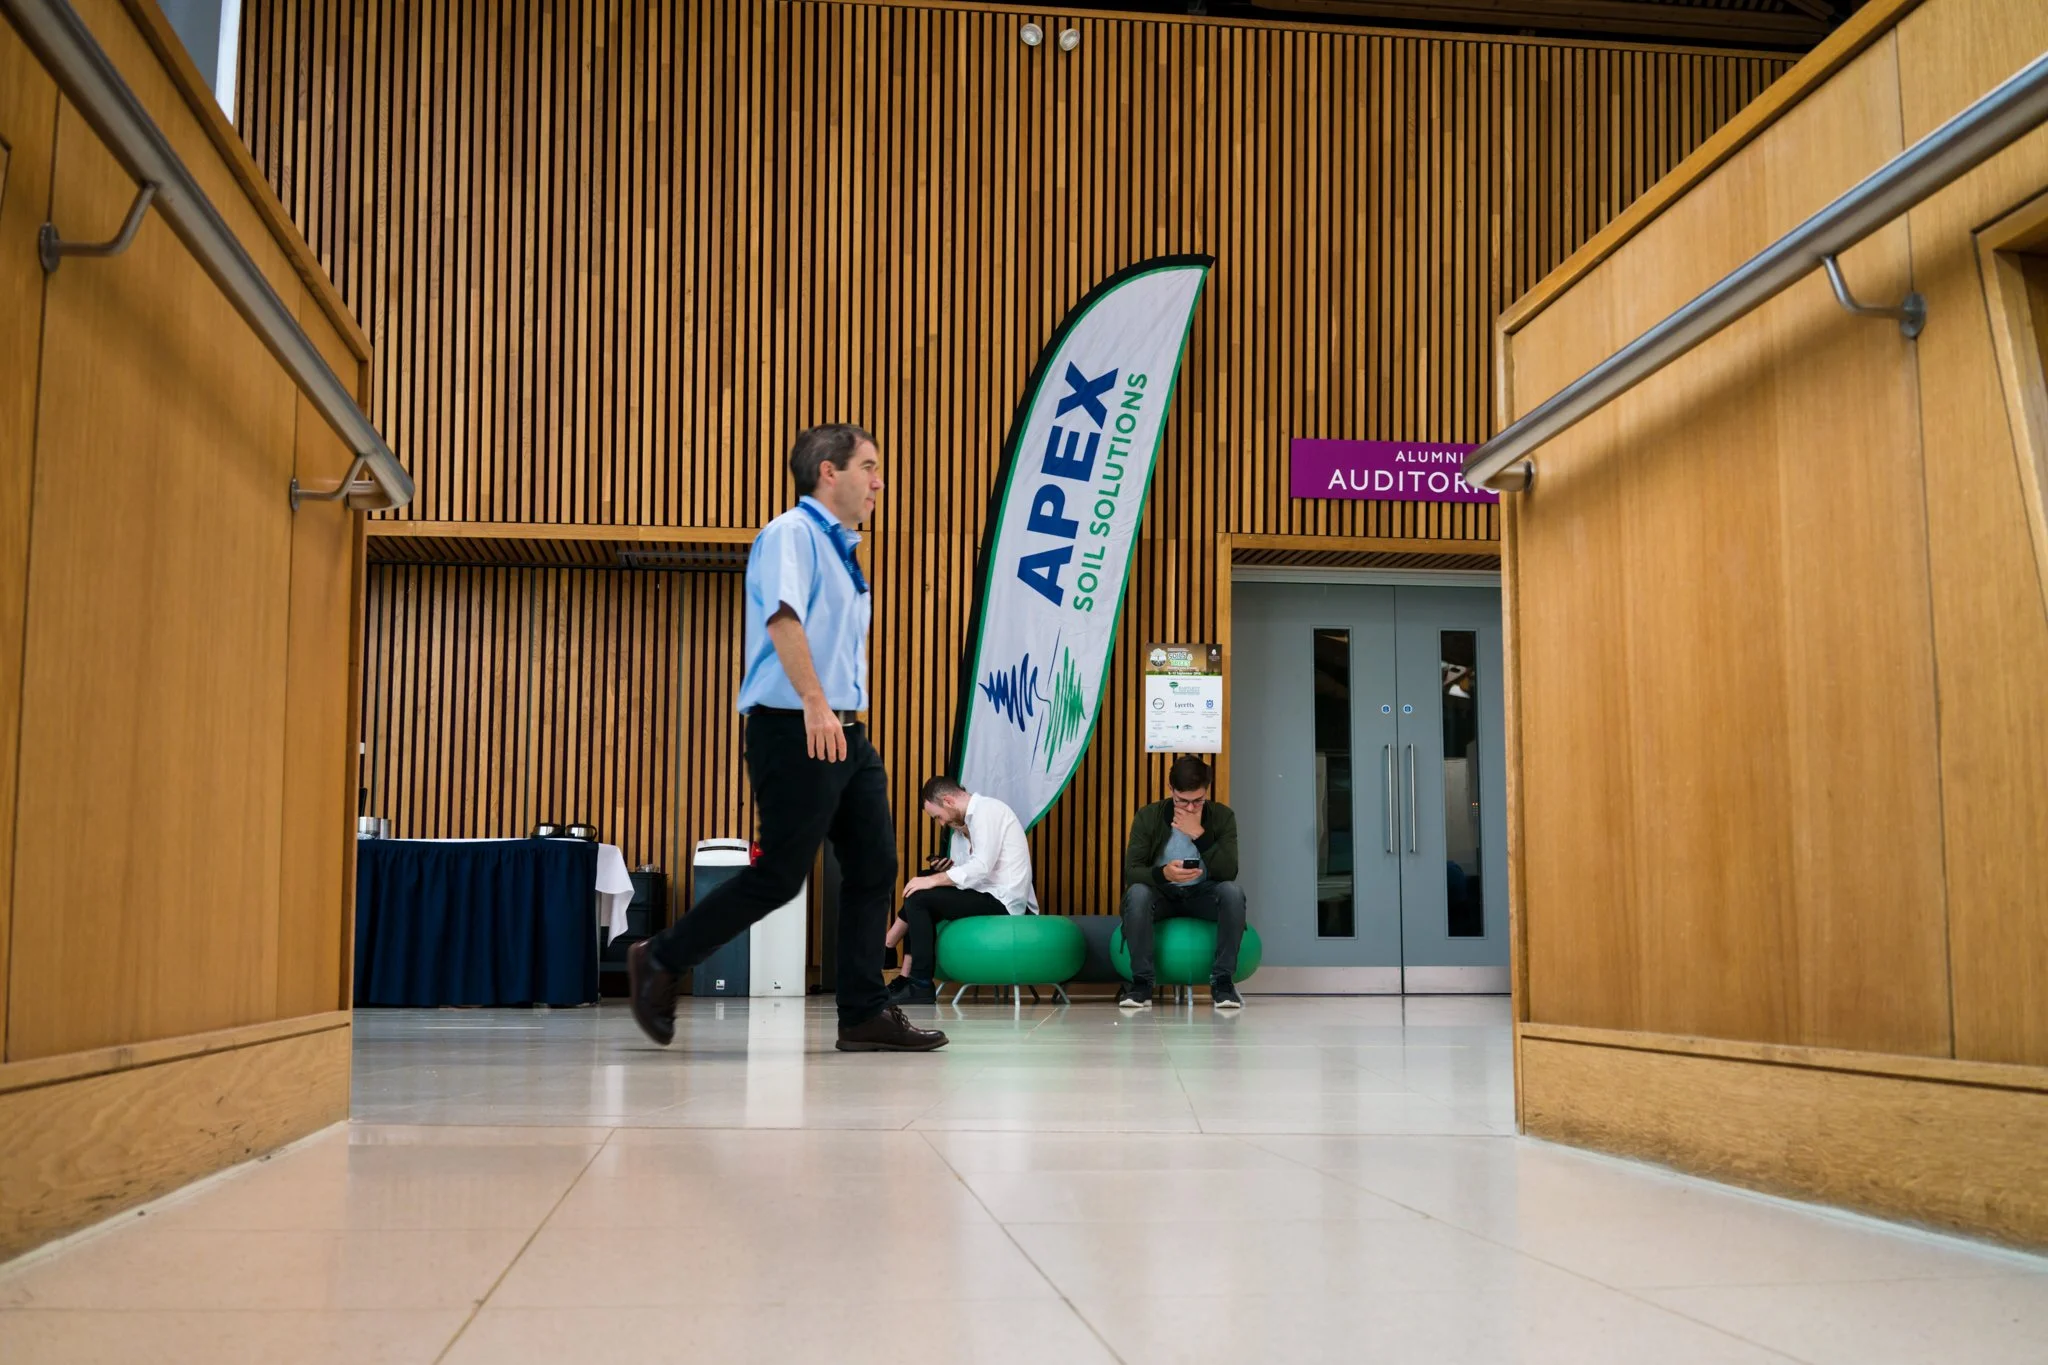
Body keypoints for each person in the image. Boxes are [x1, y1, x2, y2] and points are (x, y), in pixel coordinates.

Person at [628, 424, 946, 1053]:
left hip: (843, 731)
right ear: (829, 472)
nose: (878, 481)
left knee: (875, 867)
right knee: (780, 875)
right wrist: (814, 704)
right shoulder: (791, 534)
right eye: (869, 466)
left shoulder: (839, 547)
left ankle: (862, 1012)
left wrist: (834, 715)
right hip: (798, 724)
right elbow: (782, 617)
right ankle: (661, 957)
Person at [886, 776, 1038, 1004]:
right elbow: (970, 873)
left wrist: (935, 881)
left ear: (948, 801)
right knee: (922, 883)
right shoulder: (964, 827)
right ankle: (905, 976)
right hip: (986, 892)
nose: (941, 823)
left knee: (920, 896)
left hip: (1005, 901)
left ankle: (915, 979)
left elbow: (982, 867)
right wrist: (941, 874)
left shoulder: (988, 811)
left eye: (937, 816)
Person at [1118, 754, 1246, 1010]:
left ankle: (1222, 982)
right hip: (1162, 893)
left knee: (1232, 892)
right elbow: (1132, 871)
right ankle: (1142, 983)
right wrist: (1163, 874)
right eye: (1182, 801)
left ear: (1206, 792)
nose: (1189, 808)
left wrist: (1199, 834)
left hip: (1203, 894)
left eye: (1197, 801)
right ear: (1171, 790)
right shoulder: (1149, 816)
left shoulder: (1222, 817)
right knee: (1138, 893)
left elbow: (1229, 871)